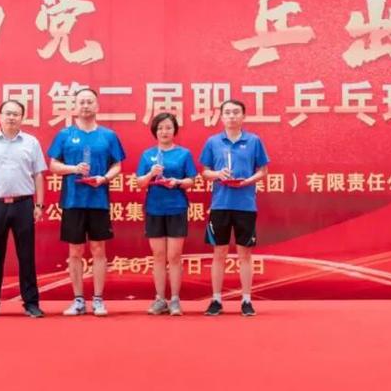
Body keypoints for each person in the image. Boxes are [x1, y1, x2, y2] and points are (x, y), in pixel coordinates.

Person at [48, 88, 125, 316]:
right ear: (75, 106)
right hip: (73, 200)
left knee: (98, 249)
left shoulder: (108, 136)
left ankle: (98, 299)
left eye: (89, 101)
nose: (85, 105)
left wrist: (104, 178)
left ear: (97, 106)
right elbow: (53, 165)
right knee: (75, 250)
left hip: (98, 200)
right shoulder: (64, 134)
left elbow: (117, 165)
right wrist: (73, 169)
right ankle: (78, 300)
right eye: (81, 102)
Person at [0, 100, 47, 318]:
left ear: (22, 118)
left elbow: (38, 175)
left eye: (16, 114)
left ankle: (31, 303)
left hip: (24, 204)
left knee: (26, 256)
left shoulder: (31, 142)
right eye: (7, 113)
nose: (11, 117)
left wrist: (39, 205)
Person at [199, 100, 269, 316]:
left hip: (245, 204)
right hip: (220, 204)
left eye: (236, 112)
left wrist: (248, 181)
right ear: (221, 117)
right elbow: (205, 172)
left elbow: (263, 171)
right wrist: (218, 174)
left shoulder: (254, 141)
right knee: (219, 252)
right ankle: (216, 300)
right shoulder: (213, 142)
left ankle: (246, 300)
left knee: (244, 254)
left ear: (243, 116)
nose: (231, 116)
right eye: (227, 113)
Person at [136, 112, 197, 316]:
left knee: (174, 256)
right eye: (160, 128)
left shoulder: (183, 154)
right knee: (159, 255)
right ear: (155, 131)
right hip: (154, 209)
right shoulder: (147, 155)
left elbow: (191, 180)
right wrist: (151, 174)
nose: (164, 131)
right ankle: (160, 299)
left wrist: (177, 182)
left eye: (168, 128)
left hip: (176, 208)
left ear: (174, 130)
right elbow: (140, 182)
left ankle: (175, 300)